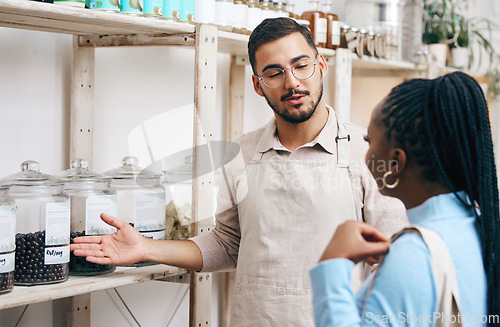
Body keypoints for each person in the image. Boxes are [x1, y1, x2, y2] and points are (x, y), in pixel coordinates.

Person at [71, 17, 408, 326]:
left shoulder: (366, 151)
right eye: (274, 73)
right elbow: (229, 243)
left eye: (301, 66)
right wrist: (146, 248)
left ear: (320, 66)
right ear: (258, 84)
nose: (292, 82)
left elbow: (395, 262)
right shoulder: (241, 154)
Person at [310, 71, 500, 326]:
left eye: (370, 141)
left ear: (395, 162)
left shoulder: (415, 255)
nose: (366, 156)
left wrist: (334, 264)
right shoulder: (479, 225)